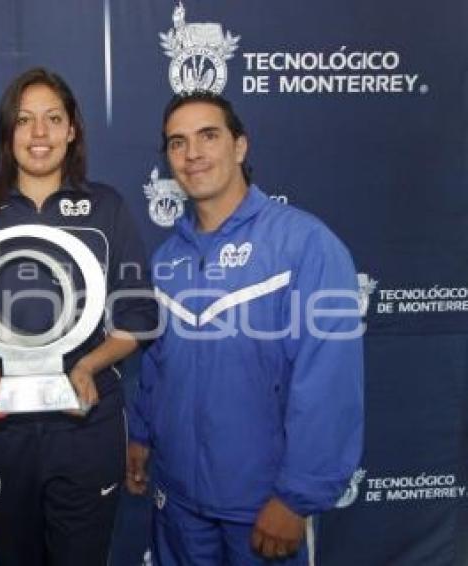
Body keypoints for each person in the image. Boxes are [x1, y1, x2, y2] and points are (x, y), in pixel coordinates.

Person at [126, 92, 364, 565]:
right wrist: (140, 434)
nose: (192, 154)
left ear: (240, 147)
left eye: (208, 136)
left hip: (262, 507)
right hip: (178, 503)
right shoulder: (166, 259)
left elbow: (328, 383)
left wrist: (297, 498)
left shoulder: (305, 244)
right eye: (178, 143)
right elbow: (156, 362)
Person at [0, 67, 157, 566]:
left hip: (87, 425)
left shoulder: (106, 208)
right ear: (6, 132)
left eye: (52, 119)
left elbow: (139, 313)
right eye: (24, 120)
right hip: (2, 428)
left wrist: (86, 367)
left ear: (72, 129)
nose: (39, 134)